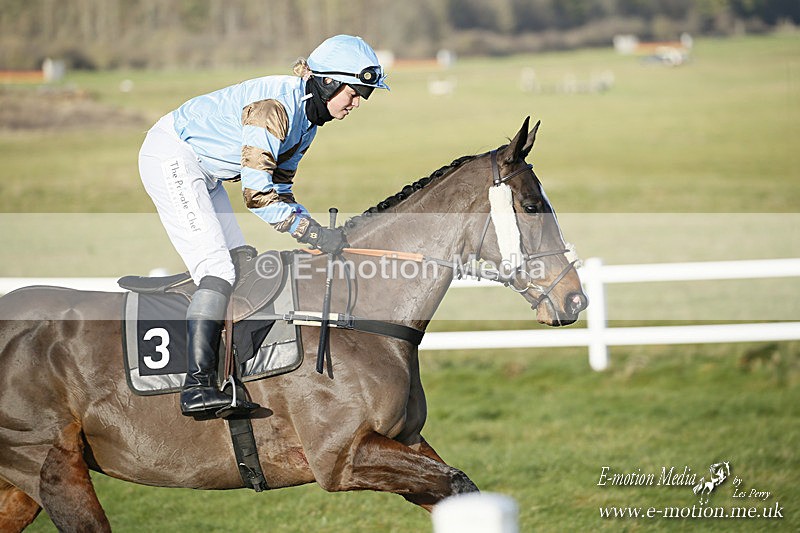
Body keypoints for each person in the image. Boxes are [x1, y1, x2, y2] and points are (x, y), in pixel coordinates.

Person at [137, 35, 389, 416]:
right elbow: (256, 195)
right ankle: (196, 386)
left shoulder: (308, 120)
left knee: (239, 262)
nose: (357, 103)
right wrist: (312, 233)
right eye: (355, 93)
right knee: (217, 269)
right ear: (329, 83)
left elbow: (280, 189)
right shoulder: (275, 109)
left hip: (208, 172)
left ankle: (229, 369)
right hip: (173, 155)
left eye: (364, 95)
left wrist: (315, 230)